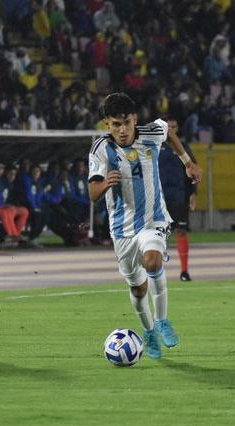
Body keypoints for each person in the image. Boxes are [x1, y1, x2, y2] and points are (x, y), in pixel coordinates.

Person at [88, 93, 203, 359]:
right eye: (116, 124)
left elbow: (169, 133)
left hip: (154, 219)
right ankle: (149, 330)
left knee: (153, 262)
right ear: (107, 124)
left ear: (135, 119)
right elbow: (93, 193)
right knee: (138, 289)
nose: (122, 130)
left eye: (126, 122)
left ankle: (162, 321)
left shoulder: (151, 132)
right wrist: (105, 183)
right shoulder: (101, 149)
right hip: (122, 229)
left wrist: (188, 162)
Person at [159, 115, 197, 282]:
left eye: (174, 126)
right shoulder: (154, 145)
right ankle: (155, 272)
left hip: (178, 196)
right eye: (169, 126)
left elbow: (192, 170)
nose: (172, 129)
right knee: (156, 235)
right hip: (158, 198)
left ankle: (184, 271)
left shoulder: (183, 148)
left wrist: (193, 193)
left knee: (181, 231)